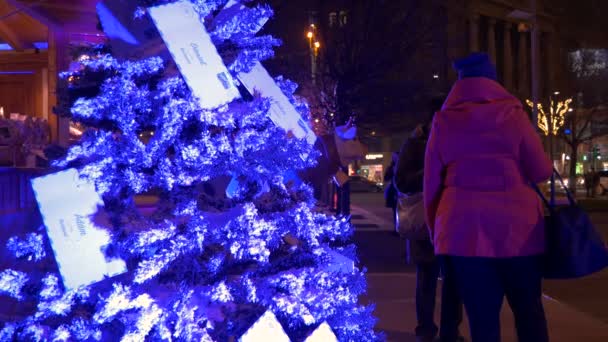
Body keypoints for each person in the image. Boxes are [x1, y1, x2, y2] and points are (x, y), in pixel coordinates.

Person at [423, 52, 553, 342]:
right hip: (518, 232)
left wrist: (437, 234)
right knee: (529, 313)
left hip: (463, 232)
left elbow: (431, 183)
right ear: (494, 82)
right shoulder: (514, 116)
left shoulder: (443, 121)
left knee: (482, 322)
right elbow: (542, 171)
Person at [395, 100, 463, 342]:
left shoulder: (455, 142)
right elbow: (401, 182)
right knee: (427, 280)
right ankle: (425, 330)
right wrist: (431, 171)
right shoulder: (414, 145)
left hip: (452, 219)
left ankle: (450, 331)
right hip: (425, 224)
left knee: (454, 280)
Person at [384, 152, 399, 231]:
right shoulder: (391, 167)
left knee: (399, 210)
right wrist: (390, 171)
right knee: (395, 210)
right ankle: (396, 228)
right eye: (393, 157)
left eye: (395, 157)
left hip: (400, 190)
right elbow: (386, 178)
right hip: (394, 190)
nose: (394, 158)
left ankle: (399, 228)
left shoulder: (402, 166)